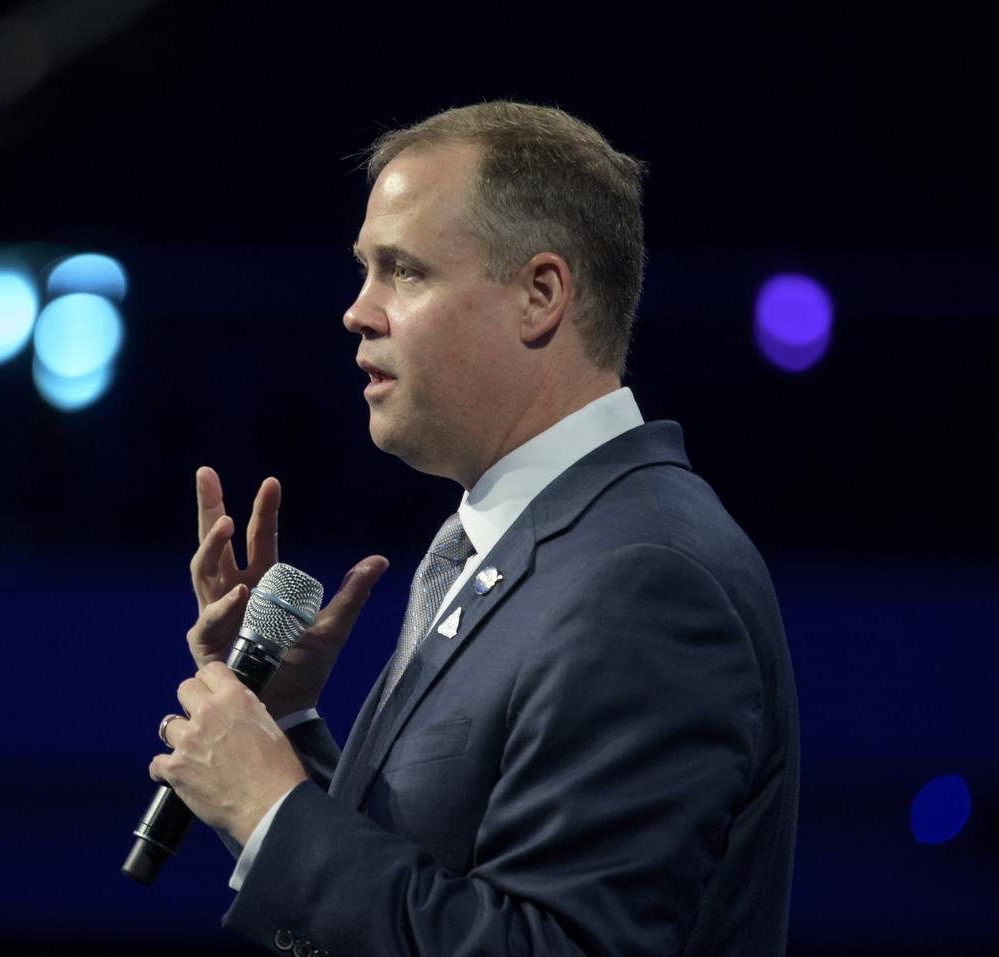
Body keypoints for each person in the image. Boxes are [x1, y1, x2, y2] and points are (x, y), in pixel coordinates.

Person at [149, 101, 799, 956]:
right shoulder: (532, 542)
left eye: (403, 272)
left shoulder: (642, 576)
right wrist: (281, 731)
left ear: (540, 295)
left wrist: (273, 811)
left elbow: (551, 945)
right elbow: (435, 885)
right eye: (363, 270)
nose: (358, 311)